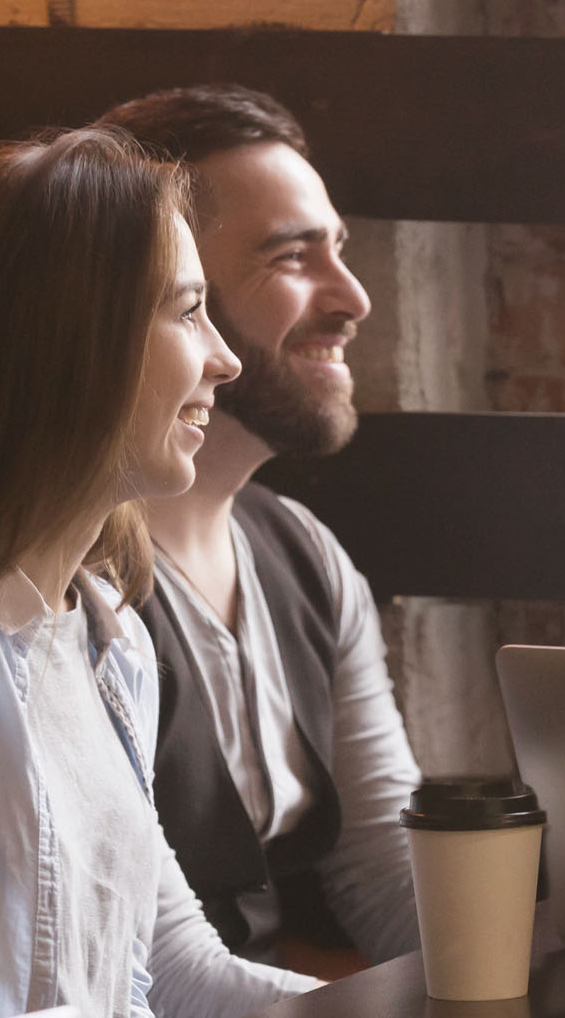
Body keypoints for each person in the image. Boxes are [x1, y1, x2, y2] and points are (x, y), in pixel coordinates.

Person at [0, 127, 319, 1016]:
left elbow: (175, 969)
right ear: (68, 342)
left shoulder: (110, 635)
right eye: (186, 310)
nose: (226, 358)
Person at [98, 85, 422, 968]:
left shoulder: (305, 554)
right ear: (166, 293)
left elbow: (384, 868)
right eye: (291, 257)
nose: (352, 296)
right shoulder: (63, 572)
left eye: (339, 250)